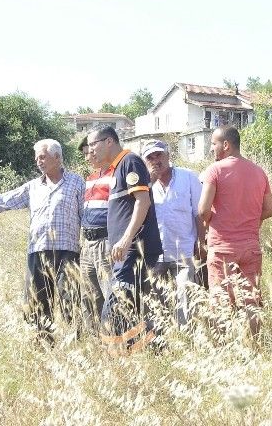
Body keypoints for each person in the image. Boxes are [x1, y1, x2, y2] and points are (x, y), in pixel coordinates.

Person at [0, 139, 82, 345]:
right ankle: (43, 347)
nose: (38, 161)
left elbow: (86, 215)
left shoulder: (76, 183)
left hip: (68, 252)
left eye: (42, 157)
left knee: (71, 301)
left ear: (57, 157)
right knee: (36, 303)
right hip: (38, 252)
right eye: (36, 158)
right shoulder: (33, 187)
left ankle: (78, 346)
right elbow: (4, 201)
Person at [86, 126, 162, 353]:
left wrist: (126, 239)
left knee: (115, 307)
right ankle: (141, 351)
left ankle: (118, 354)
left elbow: (143, 201)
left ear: (109, 141)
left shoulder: (130, 161)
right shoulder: (117, 168)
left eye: (93, 144)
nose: (90, 150)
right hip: (125, 251)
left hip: (134, 250)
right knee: (131, 305)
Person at [197, 126, 272, 335]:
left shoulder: (215, 170)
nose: (211, 148)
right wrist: (251, 221)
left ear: (226, 145)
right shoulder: (259, 172)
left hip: (222, 248)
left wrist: (213, 222)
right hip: (251, 247)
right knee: (251, 301)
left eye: (213, 143)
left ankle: (224, 346)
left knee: (221, 302)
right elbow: (270, 209)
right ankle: (254, 343)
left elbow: (203, 209)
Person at [142, 139, 203, 327]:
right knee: (155, 302)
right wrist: (149, 183)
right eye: (150, 158)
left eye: (159, 155)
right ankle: (159, 338)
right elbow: (137, 213)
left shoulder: (188, 177)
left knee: (186, 300)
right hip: (155, 252)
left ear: (168, 155)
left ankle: (185, 337)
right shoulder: (143, 184)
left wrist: (201, 241)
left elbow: (199, 213)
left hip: (184, 249)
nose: (156, 161)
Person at [78, 135, 112, 334]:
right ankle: (94, 338)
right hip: (87, 243)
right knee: (89, 294)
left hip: (104, 242)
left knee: (109, 292)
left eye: (89, 153)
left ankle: (113, 337)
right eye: (85, 154)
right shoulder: (90, 179)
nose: (87, 158)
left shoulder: (115, 173)